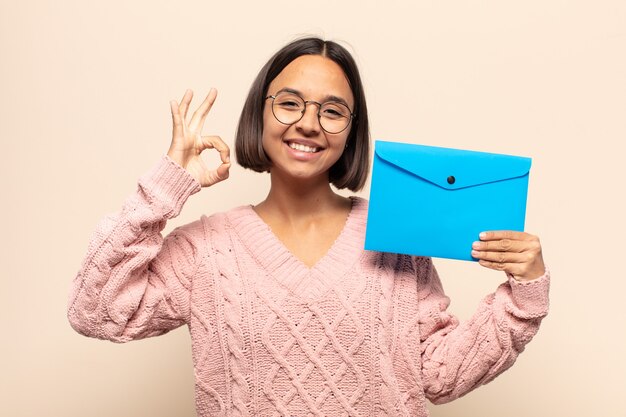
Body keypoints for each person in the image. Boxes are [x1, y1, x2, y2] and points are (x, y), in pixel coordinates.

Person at [67, 37, 549, 417]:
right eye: (290, 103)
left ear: (351, 132)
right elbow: (97, 310)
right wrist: (169, 183)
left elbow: (437, 376)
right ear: (261, 111)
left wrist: (523, 296)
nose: (309, 124)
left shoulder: (394, 237)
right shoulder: (206, 249)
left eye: (332, 111)